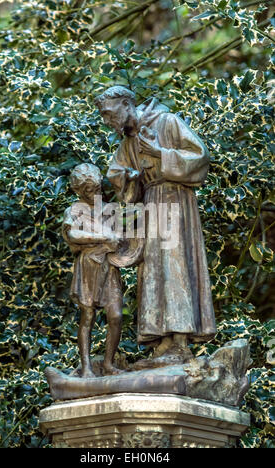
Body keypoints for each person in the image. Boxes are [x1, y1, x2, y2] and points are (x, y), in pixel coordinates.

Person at [95, 86, 216, 362]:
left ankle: (181, 341)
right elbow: (118, 178)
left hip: (175, 202)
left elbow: (200, 158)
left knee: (176, 268)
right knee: (152, 271)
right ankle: (162, 341)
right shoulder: (127, 143)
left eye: (109, 114)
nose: (106, 121)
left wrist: (160, 152)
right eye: (103, 116)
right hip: (151, 206)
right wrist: (129, 177)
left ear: (127, 104)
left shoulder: (167, 121)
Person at [62, 163, 123, 377]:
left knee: (115, 316)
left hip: (110, 266)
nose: (93, 193)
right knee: (87, 315)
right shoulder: (74, 210)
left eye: (96, 188)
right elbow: (73, 235)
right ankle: (87, 367)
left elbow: (120, 239)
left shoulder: (108, 209)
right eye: (88, 190)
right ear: (78, 190)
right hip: (88, 266)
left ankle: (108, 363)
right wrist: (103, 237)